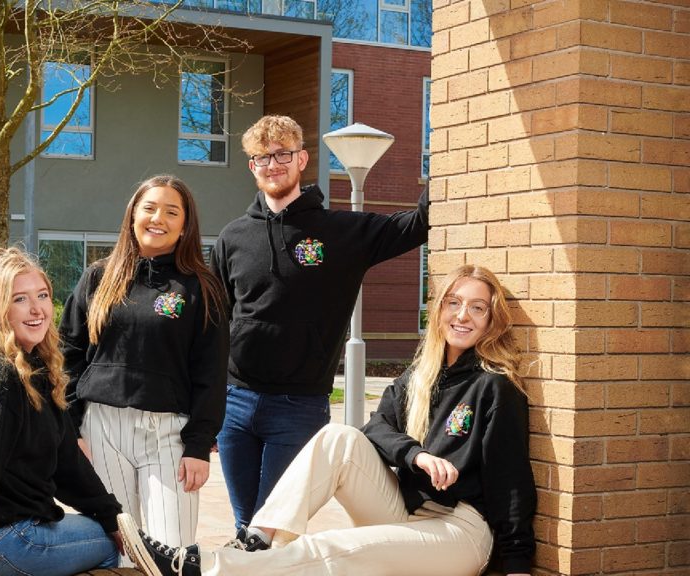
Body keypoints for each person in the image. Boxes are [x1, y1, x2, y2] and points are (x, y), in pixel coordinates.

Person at [119, 264, 537, 576]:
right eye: (455, 303)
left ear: (490, 320)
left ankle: (200, 567)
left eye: (477, 308)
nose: (463, 316)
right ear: (440, 309)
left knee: (336, 547)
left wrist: (517, 566)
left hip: (460, 532)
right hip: (408, 512)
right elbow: (376, 428)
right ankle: (257, 539)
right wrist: (417, 457)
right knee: (338, 436)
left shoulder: (493, 386)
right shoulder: (422, 373)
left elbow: (511, 481)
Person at [211, 114, 429, 530]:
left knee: (271, 526)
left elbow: (415, 225)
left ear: (301, 160)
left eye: (282, 154)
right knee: (245, 523)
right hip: (235, 402)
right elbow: (216, 321)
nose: (272, 164)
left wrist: (449, 160)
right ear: (251, 166)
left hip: (298, 406)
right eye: (262, 157)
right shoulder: (232, 237)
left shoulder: (341, 232)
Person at [0, 247, 123, 576]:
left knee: (103, 530)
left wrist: (109, 514)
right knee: (106, 546)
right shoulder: (3, 381)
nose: (37, 309)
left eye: (41, 295)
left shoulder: (34, 369)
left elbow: (68, 463)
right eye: (19, 299)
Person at [59, 175, 229, 549]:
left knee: (173, 551)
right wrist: (73, 429)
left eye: (172, 211)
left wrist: (199, 446)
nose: (158, 218)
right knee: (120, 547)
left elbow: (212, 374)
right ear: (133, 214)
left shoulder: (202, 287)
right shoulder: (98, 278)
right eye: (150, 208)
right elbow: (67, 355)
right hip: (101, 428)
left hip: (168, 434)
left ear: (185, 226)